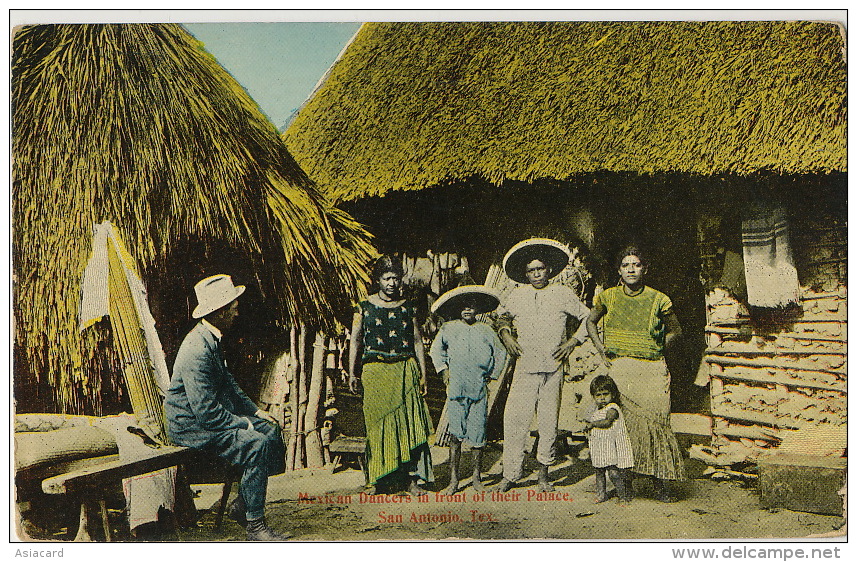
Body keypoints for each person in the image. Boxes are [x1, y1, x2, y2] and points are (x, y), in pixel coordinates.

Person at [165, 274, 289, 540]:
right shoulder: (197, 349)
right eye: (233, 305)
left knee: (270, 429)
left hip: (207, 419)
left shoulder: (212, 338)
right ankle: (255, 526)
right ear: (219, 311)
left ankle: (243, 505)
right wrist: (242, 423)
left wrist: (255, 412)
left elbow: (229, 383)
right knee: (255, 444)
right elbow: (206, 412)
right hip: (191, 427)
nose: (237, 310)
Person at [586, 246, 685, 502]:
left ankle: (660, 484)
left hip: (651, 370)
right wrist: (600, 349)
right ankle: (625, 485)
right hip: (621, 369)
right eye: (626, 265)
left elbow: (676, 330)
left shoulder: (659, 298)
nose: (631, 269)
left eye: (637, 264)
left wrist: (656, 349)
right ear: (619, 270)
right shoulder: (608, 296)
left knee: (657, 426)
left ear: (645, 269)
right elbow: (590, 322)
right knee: (623, 429)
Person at [495, 238, 590, 493]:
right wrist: (506, 335)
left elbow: (587, 317)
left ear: (548, 269)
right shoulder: (517, 295)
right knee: (514, 420)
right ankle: (511, 475)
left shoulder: (562, 293)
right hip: (525, 367)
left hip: (553, 367)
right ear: (525, 274)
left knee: (548, 423)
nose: (536, 274)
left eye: (540, 269)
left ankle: (544, 475)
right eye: (531, 270)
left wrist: (572, 342)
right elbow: (501, 317)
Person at [348, 255, 434, 495]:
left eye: (396, 278)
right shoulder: (363, 307)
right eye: (387, 278)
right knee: (376, 426)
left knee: (409, 425)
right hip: (375, 372)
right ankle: (376, 479)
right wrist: (353, 373)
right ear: (378, 280)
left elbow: (418, 341)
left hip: (405, 370)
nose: (392, 283)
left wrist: (423, 374)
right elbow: (355, 341)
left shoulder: (409, 307)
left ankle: (412, 480)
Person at [429, 286, 508, 495]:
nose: (467, 310)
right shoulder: (449, 328)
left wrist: (492, 374)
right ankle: (454, 480)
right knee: (455, 435)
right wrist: (444, 371)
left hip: (478, 388)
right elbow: (436, 350)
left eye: (471, 306)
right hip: (456, 388)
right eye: (463, 306)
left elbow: (501, 353)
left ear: (477, 308)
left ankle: (476, 478)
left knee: (478, 435)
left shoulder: (486, 330)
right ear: (457, 309)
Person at [583, 375, 634, 504]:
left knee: (614, 474)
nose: (602, 398)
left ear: (613, 394)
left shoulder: (612, 408)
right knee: (599, 472)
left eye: (605, 394)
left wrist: (593, 424)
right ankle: (601, 494)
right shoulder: (596, 409)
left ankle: (623, 496)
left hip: (611, 447)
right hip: (599, 447)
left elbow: (607, 422)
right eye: (598, 395)